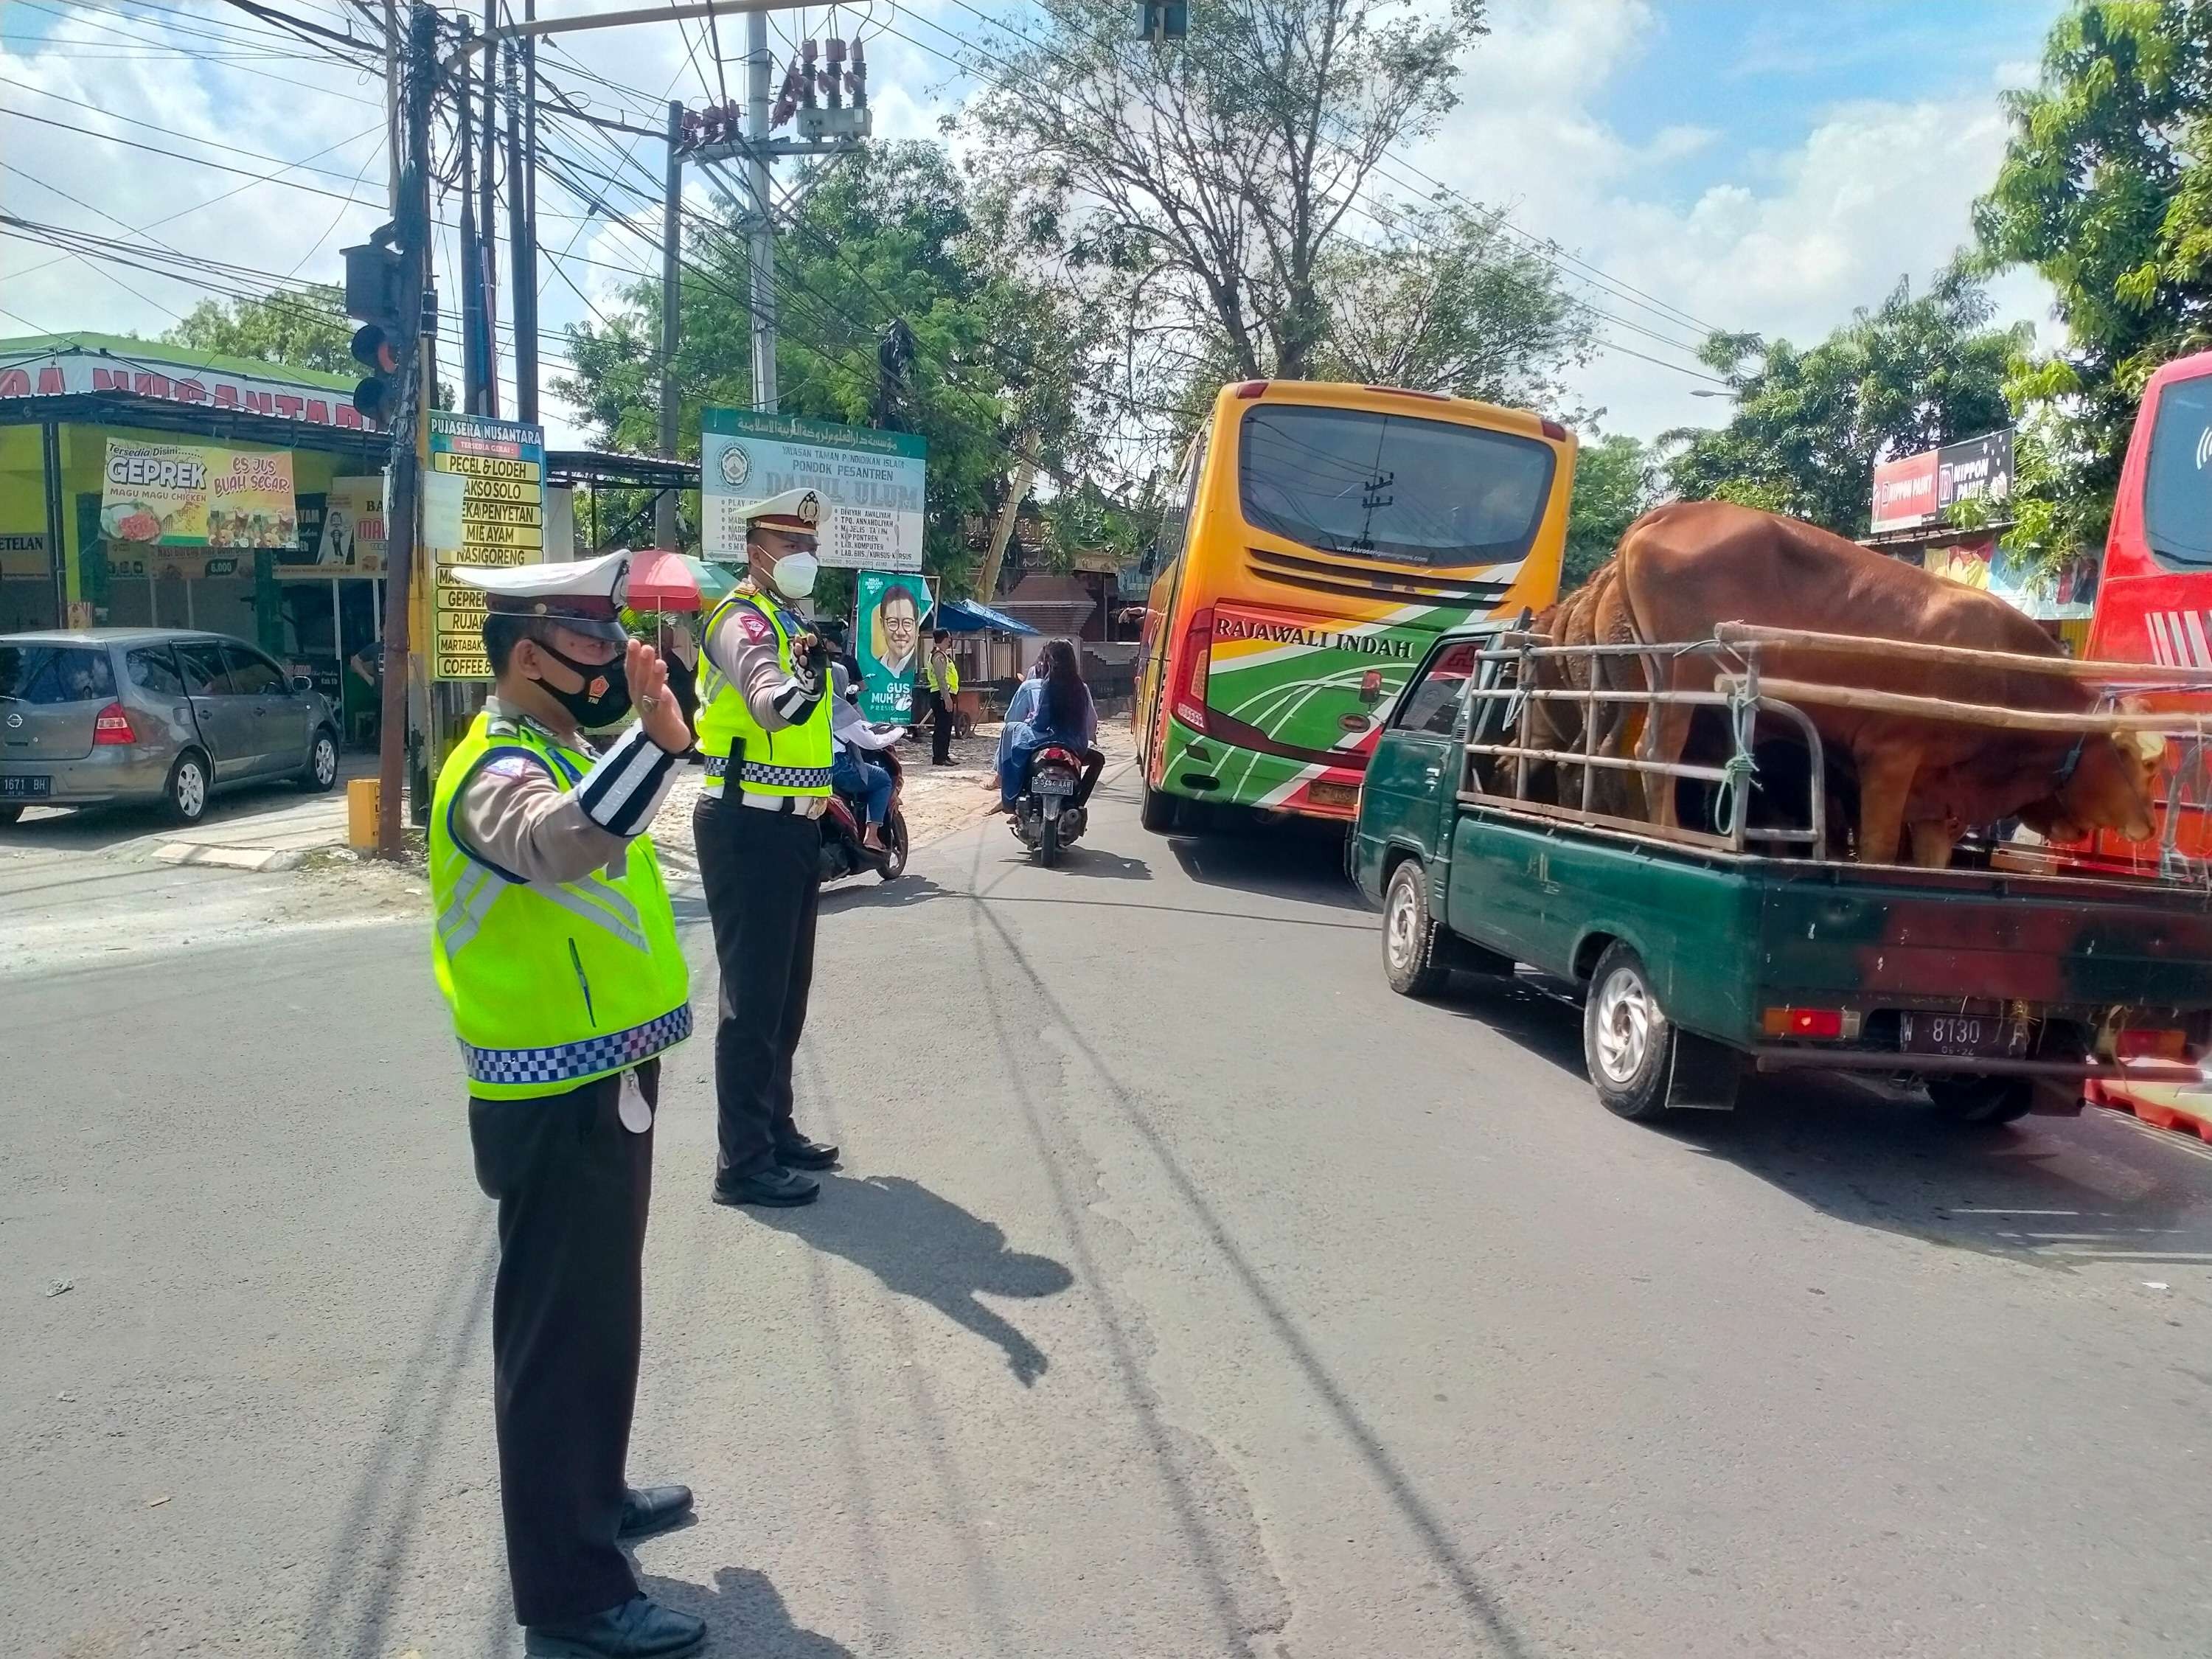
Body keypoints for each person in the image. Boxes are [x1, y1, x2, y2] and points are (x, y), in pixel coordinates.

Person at [429, 550, 705, 1659]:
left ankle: (593, 1494)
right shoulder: (492, 769)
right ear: (528, 654)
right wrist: (655, 738)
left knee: (600, 1318)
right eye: (589, 640)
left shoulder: (559, 745)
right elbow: (565, 841)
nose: (610, 657)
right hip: (549, 1094)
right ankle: (574, 1592)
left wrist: (641, 737)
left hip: (603, 1074)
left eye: (611, 635)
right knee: (557, 1341)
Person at [693, 487, 842, 1208]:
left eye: (811, 548)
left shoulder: (787, 618)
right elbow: (769, 701)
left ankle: (774, 1129)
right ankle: (741, 1161)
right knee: (751, 1002)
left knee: (786, 996)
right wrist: (809, 683)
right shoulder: (738, 620)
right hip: (747, 825)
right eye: (793, 547)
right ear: (756, 549)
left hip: (794, 824)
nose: (806, 559)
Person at [993, 638, 1098, 811]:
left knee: (1011, 729)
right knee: (1098, 760)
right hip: (1078, 746)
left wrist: (1032, 723)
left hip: (1053, 738)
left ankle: (1010, 796)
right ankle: (1078, 804)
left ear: (1051, 660)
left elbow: (1041, 723)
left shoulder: (1050, 683)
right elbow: (1089, 721)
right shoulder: (1080, 685)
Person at [830, 661, 901, 854]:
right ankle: (872, 836)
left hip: (814, 768)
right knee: (882, 780)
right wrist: (897, 733)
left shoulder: (816, 706)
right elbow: (871, 742)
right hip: (839, 768)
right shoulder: (840, 709)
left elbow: (860, 724)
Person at [919, 630, 961, 765]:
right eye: (949, 639)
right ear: (944, 639)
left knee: (947, 726)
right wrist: (947, 698)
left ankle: (945, 755)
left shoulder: (942, 655)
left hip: (945, 694)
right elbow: (941, 679)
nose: (950, 641)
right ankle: (939, 758)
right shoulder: (938, 656)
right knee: (942, 727)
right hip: (941, 695)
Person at [873, 586, 920, 681]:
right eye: (893, 622)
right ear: (882, 625)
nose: (901, 632)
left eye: (907, 623)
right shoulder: (873, 668)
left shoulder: (916, 669)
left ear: (916, 626)